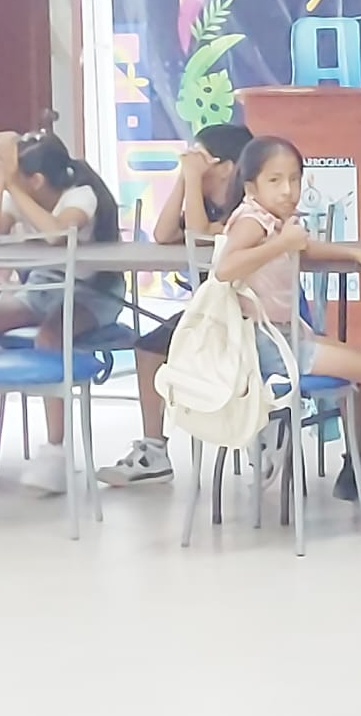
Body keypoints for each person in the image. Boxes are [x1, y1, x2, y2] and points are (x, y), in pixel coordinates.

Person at [208, 136, 361, 533]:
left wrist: (356, 254)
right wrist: (281, 244)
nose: (288, 190)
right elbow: (225, 268)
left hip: (285, 337)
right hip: (269, 346)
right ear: (251, 186)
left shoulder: (272, 220)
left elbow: (303, 250)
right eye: (275, 180)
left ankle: (358, 470)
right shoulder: (251, 219)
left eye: (294, 179)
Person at [0, 130, 125, 493]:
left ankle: (56, 454)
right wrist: (0, 174)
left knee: (50, 336)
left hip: (92, 291)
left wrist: (13, 184)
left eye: (17, 176)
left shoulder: (80, 194)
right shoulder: (18, 194)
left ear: (37, 180)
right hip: (42, 287)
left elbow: (57, 234)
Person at [97, 123, 251, 487]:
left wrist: (192, 180)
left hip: (247, 313)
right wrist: (185, 180)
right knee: (148, 348)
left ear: (226, 168)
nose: (190, 162)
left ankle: (264, 432)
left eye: (199, 157)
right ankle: (154, 451)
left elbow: (197, 235)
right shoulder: (202, 203)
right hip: (208, 312)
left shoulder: (247, 207)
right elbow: (164, 234)